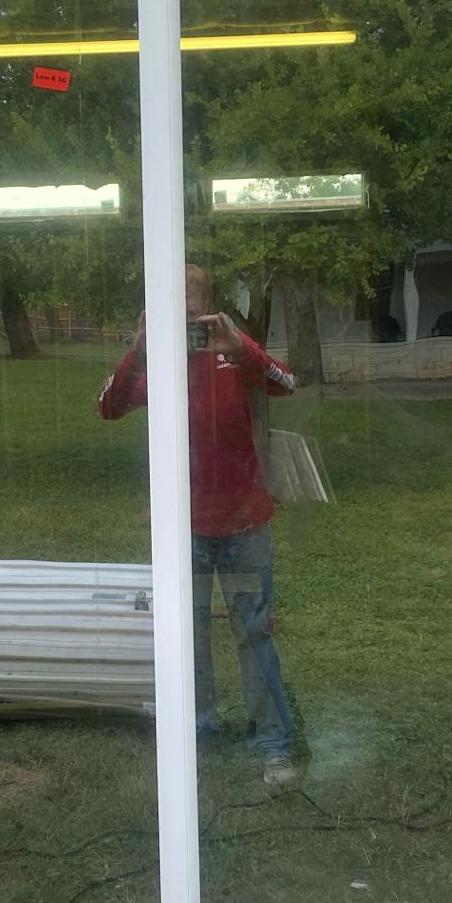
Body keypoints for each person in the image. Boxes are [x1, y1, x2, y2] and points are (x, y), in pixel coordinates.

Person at [96, 266, 299, 785]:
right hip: (180, 526)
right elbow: (108, 407)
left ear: (206, 306)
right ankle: (197, 732)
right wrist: (140, 349)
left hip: (245, 520)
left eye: (190, 307)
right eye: (170, 307)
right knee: (187, 635)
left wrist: (240, 346)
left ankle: (272, 743)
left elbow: (287, 384)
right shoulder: (155, 364)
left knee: (254, 633)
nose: (183, 318)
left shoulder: (230, 353)